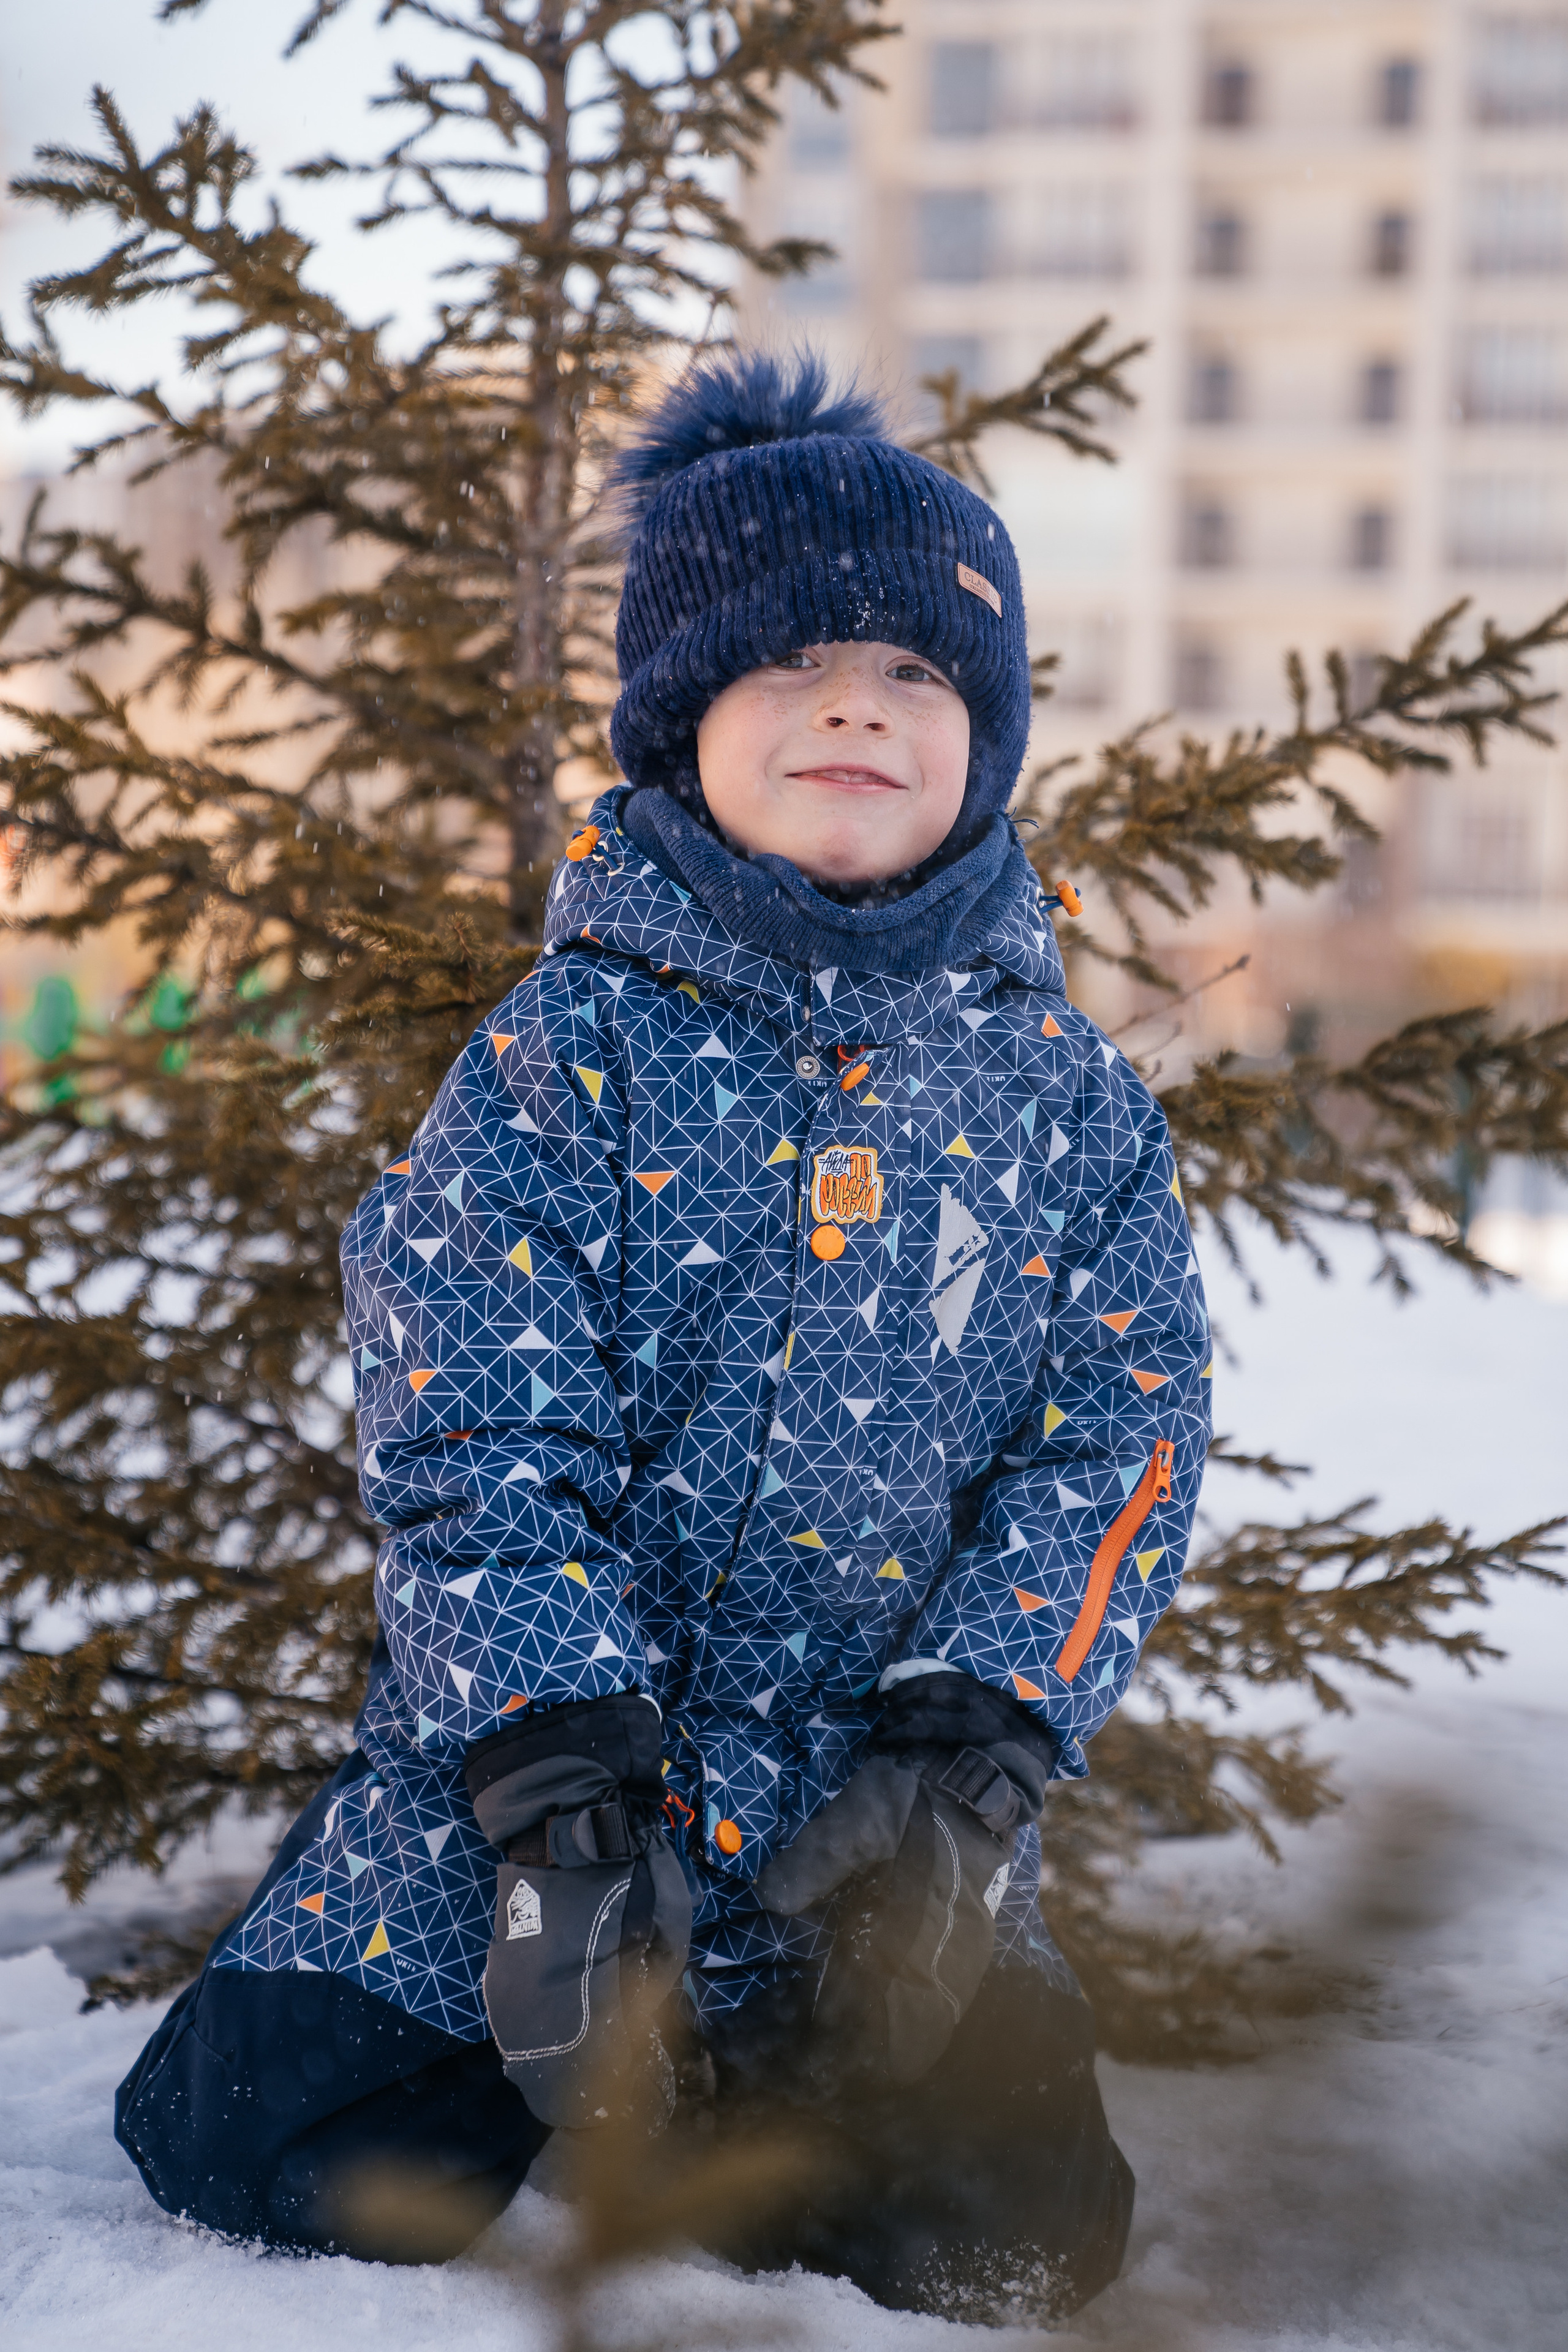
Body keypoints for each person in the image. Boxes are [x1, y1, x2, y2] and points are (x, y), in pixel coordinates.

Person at [115, 350, 1211, 2320]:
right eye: (792, 663)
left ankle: (770, 2087)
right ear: (680, 720)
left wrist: (974, 1761)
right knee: (261, 2155)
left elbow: (1121, 1443)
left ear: (988, 741)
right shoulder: (565, 1056)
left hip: (875, 1818)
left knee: (1012, 2246)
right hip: (539, 1791)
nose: (857, 702)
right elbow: (473, 1425)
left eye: (918, 672)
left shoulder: (1067, 1103)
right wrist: (553, 1788)